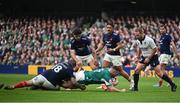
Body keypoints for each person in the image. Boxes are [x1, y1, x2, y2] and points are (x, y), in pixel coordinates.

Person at [131, 27, 177, 92]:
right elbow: (139, 48)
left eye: (137, 35)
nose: (136, 36)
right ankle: (135, 88)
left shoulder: (149, 40)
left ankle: (173, 84)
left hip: (153, 57)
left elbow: (155, 49)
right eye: (135, 35)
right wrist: (138, 56)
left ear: (142, 33)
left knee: (159, 73)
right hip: (144, 57)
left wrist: (149, 58)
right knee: (136, 70)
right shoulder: (138, 40)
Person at [95, 23, 133, 88]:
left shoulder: (116, 36)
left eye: (110, 28)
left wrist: (114, 49)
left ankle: (131, 81)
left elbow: (120, 45)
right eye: (107, 27)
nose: (108, 29)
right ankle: (106, 84)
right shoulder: (105, 35)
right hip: (108, 54)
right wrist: (97, 50)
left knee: (120, 71)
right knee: (104, 69)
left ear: (113, 28)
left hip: (116, 55)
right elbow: (102, 44)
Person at [4, 61, 85, 90]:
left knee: (28, 82)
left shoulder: (63, 63)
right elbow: (74, 82)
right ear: (73, 66)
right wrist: (81, 86)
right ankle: (40, 87)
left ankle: (14, 86)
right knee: (58, 87)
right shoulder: (70, 69)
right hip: (50, 83)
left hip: (43, 75)